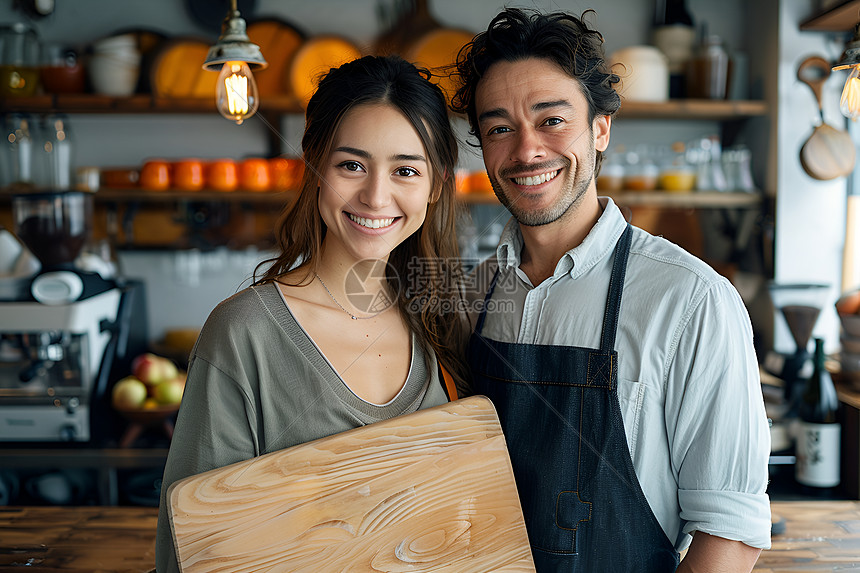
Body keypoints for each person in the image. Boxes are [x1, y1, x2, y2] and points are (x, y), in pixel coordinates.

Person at [451, 8, 771, 572]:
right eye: (499, 128)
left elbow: (729, 535)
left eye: (552, 120)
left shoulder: (691, 299)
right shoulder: (471, 297)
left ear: (600, 129)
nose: (526, 151)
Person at [155, 55, 469, 573]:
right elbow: (193, 547)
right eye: (352, 165)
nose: (375, 195)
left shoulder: (439, 322)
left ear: (435, 187)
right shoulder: (243, 334)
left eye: (405, 170)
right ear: (314, 165)